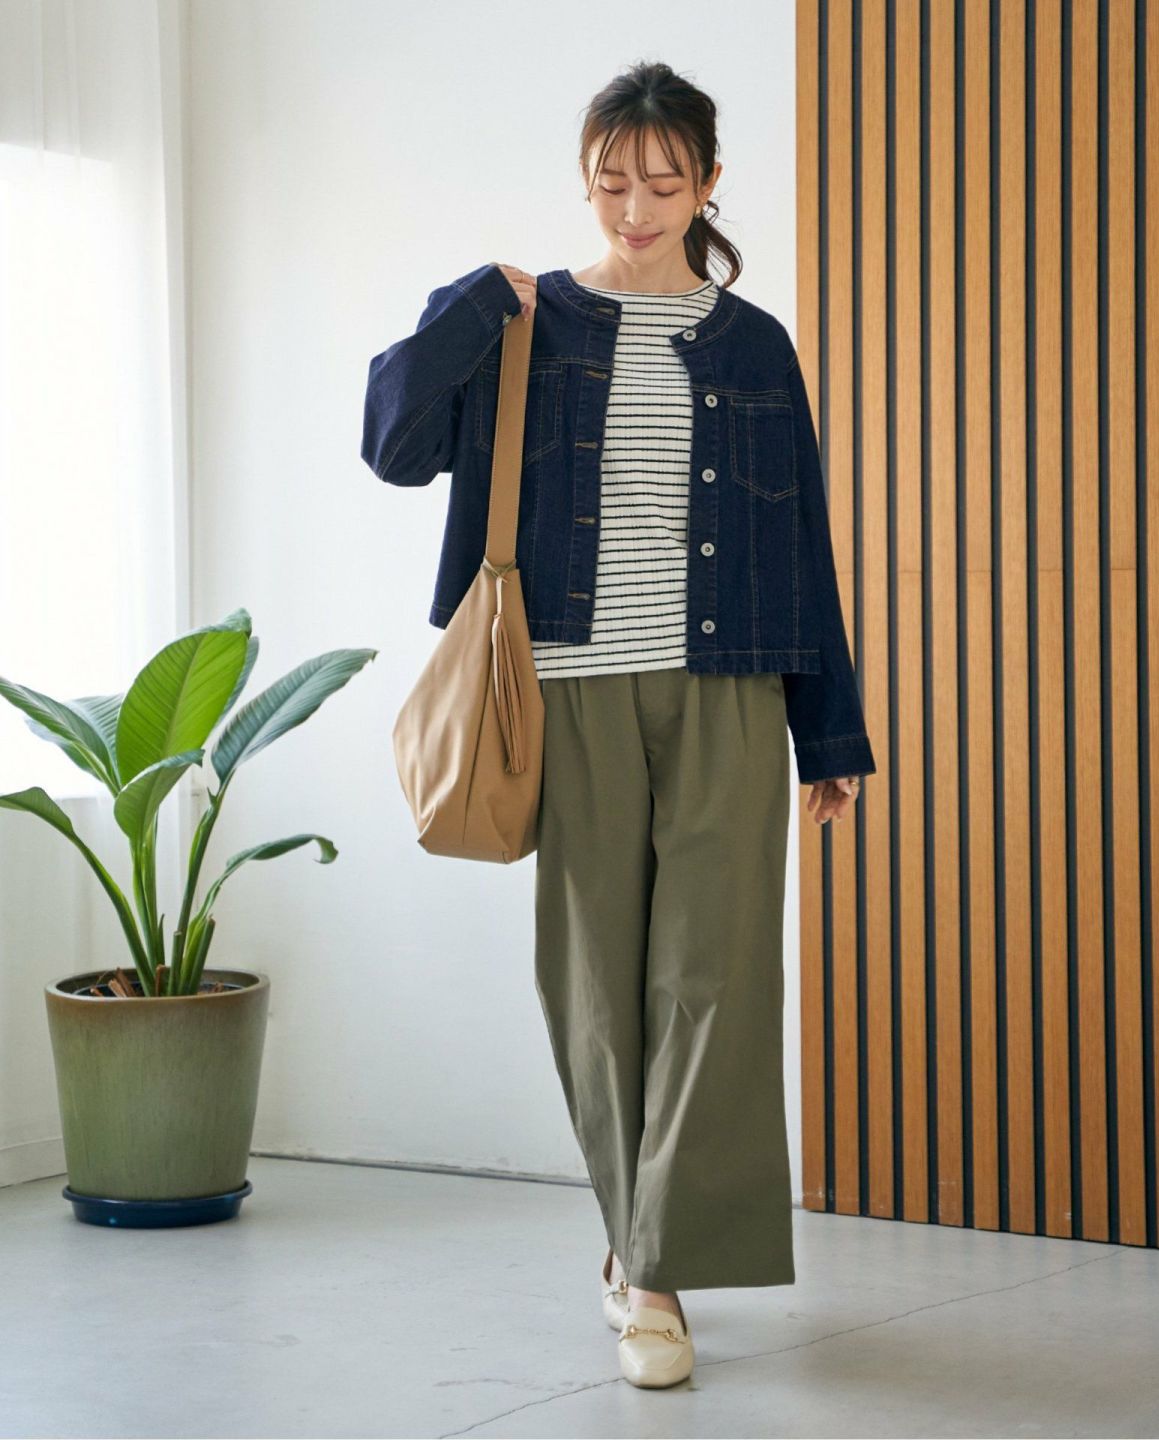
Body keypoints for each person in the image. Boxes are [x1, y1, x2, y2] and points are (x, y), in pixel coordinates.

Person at [361, 60, 876, 1391]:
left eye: (661, 183)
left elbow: (804, 546)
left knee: (715, 978)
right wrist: (474, 305)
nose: (635, 209)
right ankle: (639, 1243)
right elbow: (393, 444)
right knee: (596, 985)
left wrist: (829, 734)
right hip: (570, 687)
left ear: (708, 186)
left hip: (729, 688)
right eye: (610, 182)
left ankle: (651, 1273)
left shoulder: (754, 345)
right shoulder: (524, 323)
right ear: (583, 180)